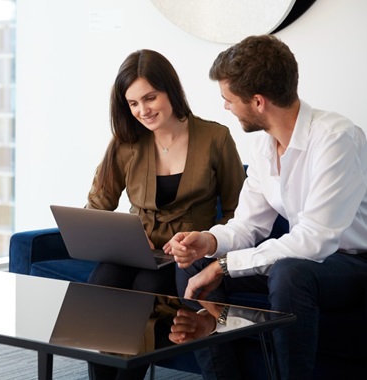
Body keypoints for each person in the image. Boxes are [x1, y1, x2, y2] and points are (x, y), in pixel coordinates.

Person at [166, 34, 367, 379]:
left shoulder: (336, 139)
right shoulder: (264, 148)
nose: (226, 107)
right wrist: (209, 242)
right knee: (193, 261)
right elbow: (248, 226)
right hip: (302, 260)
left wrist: (224, 266)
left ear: (258, 102)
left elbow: (314, 241)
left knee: (291, 273)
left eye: (229, 99)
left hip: (351, 264)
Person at [85, 49, 246, 380]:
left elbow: (239, 213)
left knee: (147, 287)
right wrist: (120, 234)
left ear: (169, 89)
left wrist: (208, 243)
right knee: (103, 281)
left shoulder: (216, 138)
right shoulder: (125, 142)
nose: (143, 111)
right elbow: (97, 206)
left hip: (185, 254)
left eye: (150, 98)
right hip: (135, 251)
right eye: (133, 104)